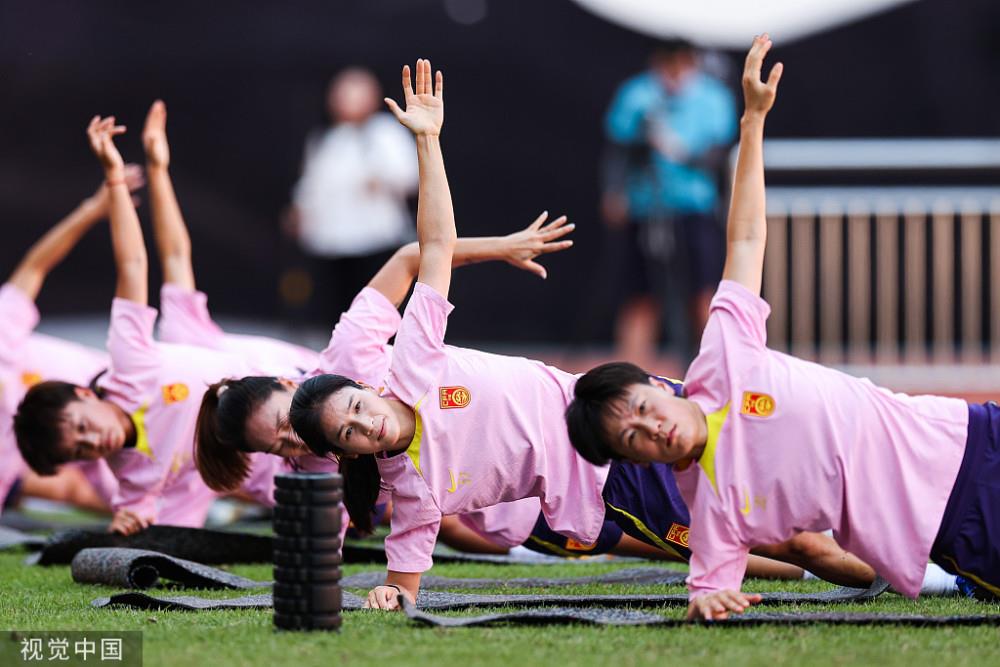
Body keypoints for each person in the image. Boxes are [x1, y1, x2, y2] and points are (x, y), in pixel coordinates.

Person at [288, 60, 875, 611]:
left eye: (357, 406)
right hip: (608, 484)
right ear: (346, 452)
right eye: (350, 432)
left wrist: (427, 141)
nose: (366, 422)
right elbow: (403, 582)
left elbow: (432, 247)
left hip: (619, 404)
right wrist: (391, 594)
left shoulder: (411, 361)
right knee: (793, 544)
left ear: (365, 387)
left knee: (790, 449)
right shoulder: (411, 490)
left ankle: (916, 528)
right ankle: (926, 572)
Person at [565, 35, 985, 621]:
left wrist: (753, 122)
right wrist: (707, 601)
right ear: (639, 464)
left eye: (639, 407)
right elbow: (707, 588)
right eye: (631, 439)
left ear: (659, 385)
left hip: (968, 432)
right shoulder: (711, 511)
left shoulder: (722, 359)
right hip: (956, 519)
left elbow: (745, 239)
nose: (650, 428)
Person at [13, 114, 278, 534]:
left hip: (306, 395)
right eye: (81, 450)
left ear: (85, 392)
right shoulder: (133, 477)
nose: (93, 441)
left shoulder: (150, 353)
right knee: (375, 508)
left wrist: (129, 176)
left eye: (83, 427)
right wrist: (129, 525)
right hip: (287, 475)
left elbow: (146, 261)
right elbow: (148, 525)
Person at [1, 168, 144, 515]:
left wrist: (93, 208)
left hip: (142, 388)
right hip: (110, 456)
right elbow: (79, 483)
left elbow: (35, 267)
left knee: (231, 433)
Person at [601, 38, 736, 367]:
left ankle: (710, 370)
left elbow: (720, 152)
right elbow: (618, 147)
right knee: (640, 293)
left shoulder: (713, 97)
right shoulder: (637, 94)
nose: (674, 76)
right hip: (645, 206)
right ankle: (629, 374)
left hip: (694, 207)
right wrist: (613, 191)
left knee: (702, 291)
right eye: (668, 67)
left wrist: (682, 153)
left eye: (682, 67)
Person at [287, 67, 419, 322]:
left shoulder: (384, 132)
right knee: (340, 308)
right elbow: (313, 182)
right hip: (332, 240)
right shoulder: (325, 137)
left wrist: (380, 180)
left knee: (376, 308)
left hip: (375, 239)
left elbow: (409, 175)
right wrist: (299, 209)